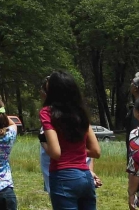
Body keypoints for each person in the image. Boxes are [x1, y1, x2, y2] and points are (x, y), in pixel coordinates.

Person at [40, 71, 102, 210]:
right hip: (85, 176)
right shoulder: (81, 112)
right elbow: (96, 151)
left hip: (63, 176)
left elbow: (56, 152)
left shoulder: (47, 112)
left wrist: (43, 143)